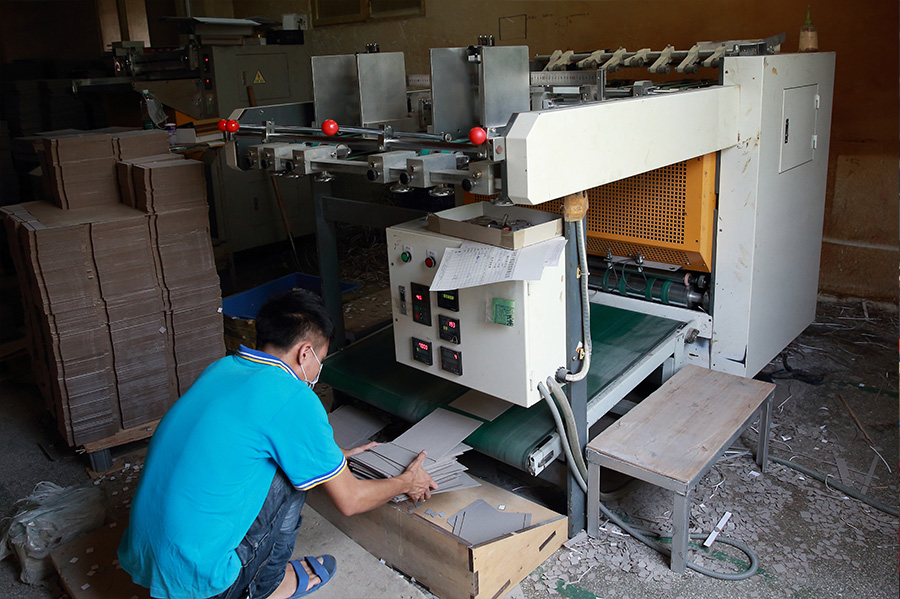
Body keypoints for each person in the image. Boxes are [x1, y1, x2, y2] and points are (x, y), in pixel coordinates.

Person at [118, 288, 437, 599]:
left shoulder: (222, 368)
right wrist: (407, 481)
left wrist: (335, 456)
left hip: (147, 560)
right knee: (290, 475)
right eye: (321, 359)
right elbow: (350, 500)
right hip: (207, 583)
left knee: (277, 457)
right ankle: (264, 584)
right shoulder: (293, 397)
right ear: (305, 353)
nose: (318, 369)